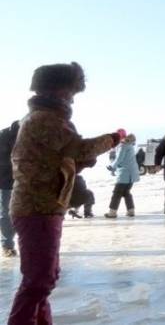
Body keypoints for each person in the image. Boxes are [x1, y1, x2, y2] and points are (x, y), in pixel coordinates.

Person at [7, 62, 120, 325]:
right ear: (57, 90)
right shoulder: (45, 119)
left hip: (42, 206)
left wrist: (77, 161)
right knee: (38, 281)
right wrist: (114, 138)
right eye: (70, 92)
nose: (72, 98)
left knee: (45, 277)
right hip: (37, 208)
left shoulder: (42, 117)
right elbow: (79, 148)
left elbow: (61, 157)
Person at [104, 133, 140, 218]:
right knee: (126, 192)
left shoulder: (123, 146)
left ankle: (112, 212)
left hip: (125, 174)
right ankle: (131, 210)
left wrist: (112, 166)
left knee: (116, 193)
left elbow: (119, 158)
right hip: (131, 175)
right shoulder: (130, 146)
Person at [0, 120, 20, 257]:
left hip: (24, 181)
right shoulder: (3, 136)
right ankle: (7, 245)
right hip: (5, 180)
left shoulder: (33, 136)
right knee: (6, 212)